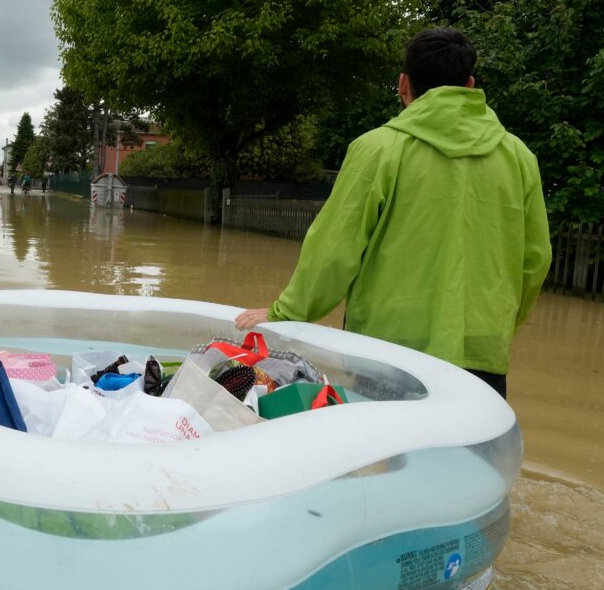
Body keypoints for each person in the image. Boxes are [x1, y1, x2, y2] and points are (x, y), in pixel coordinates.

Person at [233, 27, 550, 398]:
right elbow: (535, 261)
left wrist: (286, 311)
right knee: (461, 457)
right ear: (470, 85)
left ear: (403, 84)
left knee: (389, 454)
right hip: (481, 355)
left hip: (388, 355)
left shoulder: (377, 149)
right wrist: (498, 325)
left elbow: (335, 250)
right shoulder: (519, 158)